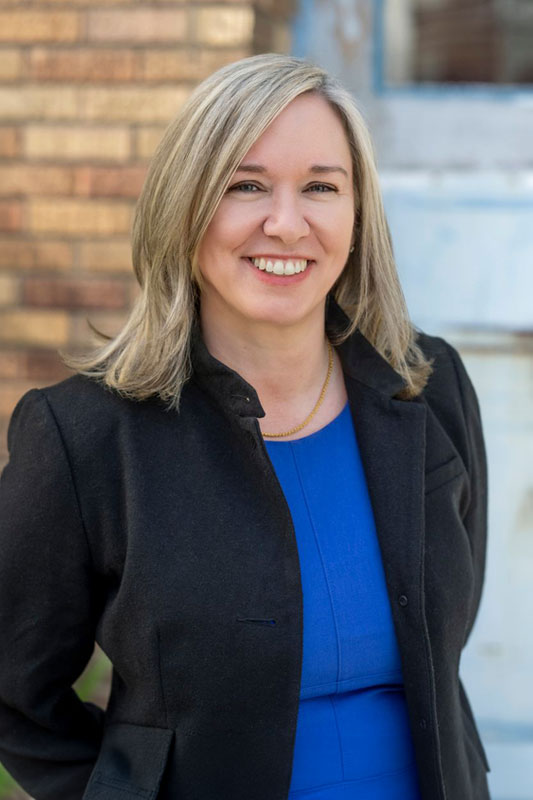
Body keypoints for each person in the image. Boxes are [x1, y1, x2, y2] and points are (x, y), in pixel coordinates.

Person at [0, 53, 490, 800]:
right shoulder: (86, 436)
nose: (286, 223)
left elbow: (443, 635)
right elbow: (10, 687)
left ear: (356, 217)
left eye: (321, 187)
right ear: (185, 207)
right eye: (245, 186)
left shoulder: (428, 386)